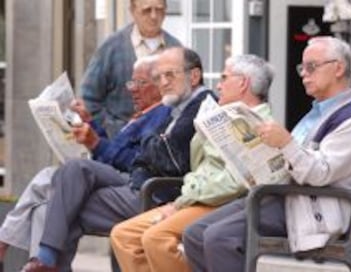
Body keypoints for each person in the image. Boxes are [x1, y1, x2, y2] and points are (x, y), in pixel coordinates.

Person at [182, 36, 351, 272]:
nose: (304, 74)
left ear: (338, 68)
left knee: (219, 238)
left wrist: (285, 143)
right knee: (194, 234)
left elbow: (320, 173)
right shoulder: (319, 112)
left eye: (311, 67)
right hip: (284, 196)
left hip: (311, 208)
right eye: (302, 67)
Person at [21, 47, 214, 272]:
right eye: (159, 77)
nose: (163, 83)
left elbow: (166, 156)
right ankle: (46, 260)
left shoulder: (193, 107)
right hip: (138, 181)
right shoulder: (173, 107)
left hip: (156, 191)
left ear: (194, 76)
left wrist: (128, 146)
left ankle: (41, 258)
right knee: (64, 197)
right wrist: (97, 130)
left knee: (68, 191)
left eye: (169, 75)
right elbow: (147, 151)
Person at [109, 54, 287, 272]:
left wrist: (181, 202)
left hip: (220, 204)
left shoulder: (258, 126)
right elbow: (201, 166)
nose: (218, 85)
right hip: (198, 198)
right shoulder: (225, 117)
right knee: (124, 235)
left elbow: (234, 184)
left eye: (224, 77)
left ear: (242, 83)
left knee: (157, 237)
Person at [0, 55, 170, 271]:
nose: (132, 89)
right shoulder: (140, 115)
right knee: (47, 205)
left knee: (69, 171)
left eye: (141, 83)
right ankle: (43, 262)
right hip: (113, 176)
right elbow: (114, 149)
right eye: (131, 82)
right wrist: (90, 123)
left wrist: (97, 143)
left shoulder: (161, 114)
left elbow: (136, 160)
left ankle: (10, 243)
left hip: (132, 182)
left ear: (160, 85)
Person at [81, 0, 181, 137]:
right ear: (133, 11)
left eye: (159, 10)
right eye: (147, 10)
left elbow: (185, 98)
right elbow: (89, 98)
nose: (153, 16)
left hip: (161, 144)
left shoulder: (176, 50)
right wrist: (112, 130)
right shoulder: (111, 48)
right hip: (118, 143)